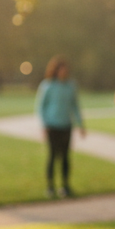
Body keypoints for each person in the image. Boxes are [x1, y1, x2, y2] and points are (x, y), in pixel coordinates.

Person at [35, 56, 86, 198]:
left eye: (65, 69)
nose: (64, 72)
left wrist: (80, 124)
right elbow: (41, 107)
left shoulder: (71, 86)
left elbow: (75, 106)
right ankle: (50, 186)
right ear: (56, 70)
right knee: (52, 156)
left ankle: (65, 185)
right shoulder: (48, 86)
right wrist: (44, 124)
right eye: (61, 69)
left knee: (65, 157)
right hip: (52, 126)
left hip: (66, 125)